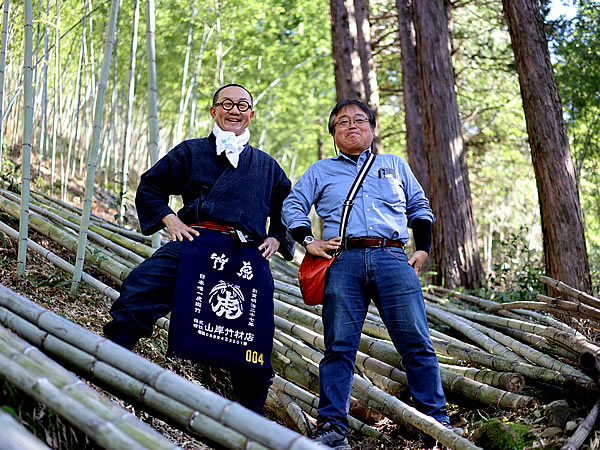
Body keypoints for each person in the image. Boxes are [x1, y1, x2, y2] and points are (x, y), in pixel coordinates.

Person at [104, 83, 294, 415]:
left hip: (245, 254)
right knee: (140, 288)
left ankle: (249, 421)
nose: (235, 110)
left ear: (251, 114)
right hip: (196, 242)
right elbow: (150, 186)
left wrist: (278, 237)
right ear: (213, 111)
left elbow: (290, 207)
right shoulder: (192, 151)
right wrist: (170, 220)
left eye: (242, 105)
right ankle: (106, 372)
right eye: (227, 104)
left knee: (252, 337)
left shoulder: (267, 166)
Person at [282, 99, 457, 448]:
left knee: (417, 343)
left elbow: (420, 207)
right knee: (339, 346)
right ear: (334, 132)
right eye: (343, 122)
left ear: (373, 129)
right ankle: (332, 426)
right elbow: (293, 204)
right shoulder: (320, 170)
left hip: (393, 257)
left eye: (360, 120)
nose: (352, 126)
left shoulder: (393, 165)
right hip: (343, 259)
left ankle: (437, 423)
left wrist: (423, 248)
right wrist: (308, 240)